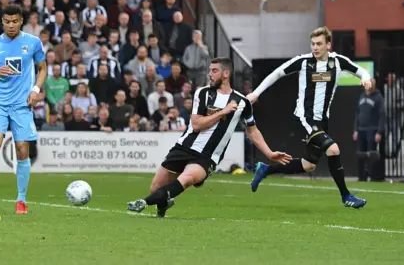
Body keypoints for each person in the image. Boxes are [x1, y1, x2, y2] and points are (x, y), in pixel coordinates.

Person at [127, 58, 291, 217]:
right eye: (209, 71)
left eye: (214, 71)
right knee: (156, 187)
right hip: (184, 147)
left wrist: (269, 154)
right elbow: (197, 124)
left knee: (188, 178)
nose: (210, 74)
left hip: (208, 156)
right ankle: (161, 206)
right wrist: (223, 112)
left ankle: (143, 202)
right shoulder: (203, 93)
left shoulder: (242, 102)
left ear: (226, 73)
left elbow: (252, 131)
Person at [248, 27, 372, 209]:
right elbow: (277, 73)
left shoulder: (338, 62)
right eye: (313, 44)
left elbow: (361, 71)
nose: (315, 47)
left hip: (322, 121)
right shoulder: (303, 62)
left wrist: (366, 79)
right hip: (305, 119)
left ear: (328, 45)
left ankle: (266, 169)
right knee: (333, 150)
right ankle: (346, 196)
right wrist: (256, 93)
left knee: (308, 165)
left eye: (319, 44)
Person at [0, 4, 47, 214]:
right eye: (7, 21)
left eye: (15, 21)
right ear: (2, 22)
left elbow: (42, 69)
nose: (11, 25)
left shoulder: (33, 42)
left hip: (22, 104)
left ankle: (21, 200)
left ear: (21, 21)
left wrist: (35, 89)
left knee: (23, 149)